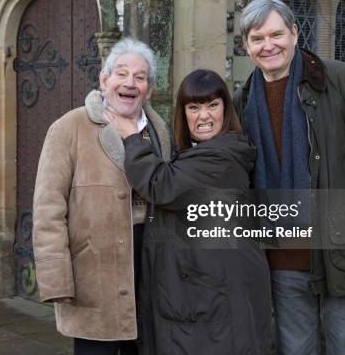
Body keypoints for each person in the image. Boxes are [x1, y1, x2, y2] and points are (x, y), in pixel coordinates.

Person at [234, 0, 345, 354]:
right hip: (282, 260)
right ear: (247, 46)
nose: (269, 45)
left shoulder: (339, 79)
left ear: (295, 33)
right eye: (257, 38)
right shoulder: (244, 99)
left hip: (344, 252)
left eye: (276, 34)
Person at [106, 69, 271, 354]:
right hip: (199, 296)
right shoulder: (195, 154)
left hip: (214, 299)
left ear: (226, 110)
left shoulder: (223, 157)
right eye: (194, 107)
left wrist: (132, 137)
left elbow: (161, 184)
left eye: (212, 105)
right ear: (183, 114)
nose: (203, 116)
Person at [32, 38, 172, 355]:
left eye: (140, 77)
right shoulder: (69, 127)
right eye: (121, 73)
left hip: (149, 275)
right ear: (104, 79)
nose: (130, 83)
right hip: (94, 279)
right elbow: (47, 211)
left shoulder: (159, 130)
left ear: (149, 89)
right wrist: (56, 281)